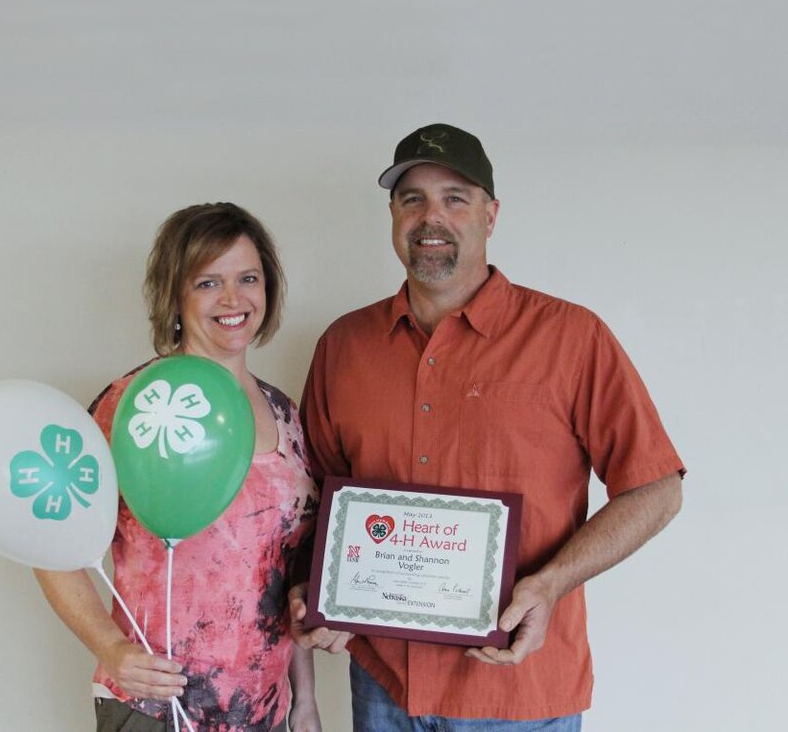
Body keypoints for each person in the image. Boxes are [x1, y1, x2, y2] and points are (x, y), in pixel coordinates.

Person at [289, 124, 685, 731]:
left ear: (491, 215)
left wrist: (551, 584)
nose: (431, 218)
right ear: (392, 213)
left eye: (456, 198)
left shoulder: (571, 338)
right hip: (384, 687)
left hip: (517, 692)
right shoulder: (344, 346)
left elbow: (656, 488)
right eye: (412, 198)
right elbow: (311, 502)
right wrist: (311, 592)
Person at [36, 202, 321, 732]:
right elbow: (49, 542)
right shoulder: (134, 405)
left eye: (248, 278)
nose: (233, 299)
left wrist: (304, 700)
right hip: (157, 712)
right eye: (208, 283)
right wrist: (111, 648)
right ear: (175, 296)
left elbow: (289, 573)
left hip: (266, 711)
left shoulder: (287, 415)